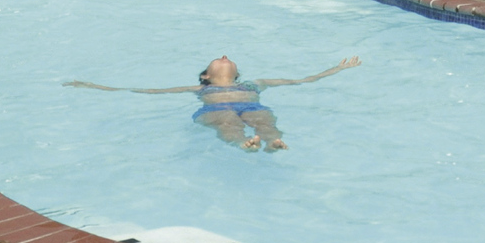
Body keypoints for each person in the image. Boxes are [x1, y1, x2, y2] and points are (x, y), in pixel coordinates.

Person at [66, 54, 360, 151]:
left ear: (237, 74)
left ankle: (272, 143)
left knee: (264, 120)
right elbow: (147, 91)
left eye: (227, 59)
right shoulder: (198, 89)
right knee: (228, 122)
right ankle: (241, 143)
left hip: (252, 106)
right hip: (214, 109)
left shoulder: (254, 84)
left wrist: (336, 69)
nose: (224, 56)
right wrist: (93, 86)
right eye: (217, 60)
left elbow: (302, 80)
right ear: (206, 76)